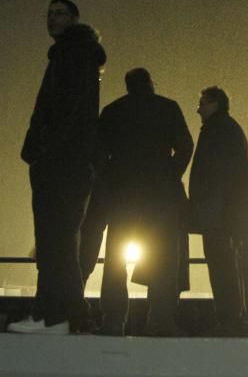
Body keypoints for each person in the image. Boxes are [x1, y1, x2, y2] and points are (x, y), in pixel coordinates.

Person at [8, 0, 106, 335]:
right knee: (57, 239)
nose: (51, 18)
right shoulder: (75, 54)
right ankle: (60, 315)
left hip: (61, 161)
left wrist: (41, 149)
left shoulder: (73, 55)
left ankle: (59, 315)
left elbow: (65, 110)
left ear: (75, 18)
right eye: (48, 13)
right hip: (67, 161)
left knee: (55, 239)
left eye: (59, 13)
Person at [95, 68, 193, 336]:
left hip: (123, 195)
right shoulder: (167, 107)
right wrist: (170, 173)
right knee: (162, 257)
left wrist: (113, 180)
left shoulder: (112, 111)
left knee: (116, 256)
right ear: (150, 83)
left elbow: (99, 154)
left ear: (127, 86)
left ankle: (114, 319)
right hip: (160, 195)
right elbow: (185, 146)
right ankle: (159, 318)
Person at [190, 86, 248, 336]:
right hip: (225, 212)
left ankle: (230, 320)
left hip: (218, 214)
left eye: (202, 103)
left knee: (221, 266)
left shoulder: (217, 131)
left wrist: (204, 207)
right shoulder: (228, 129)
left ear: (214, 103)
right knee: (226, 266)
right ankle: (232, 319)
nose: (198, 109)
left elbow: (214, 175)